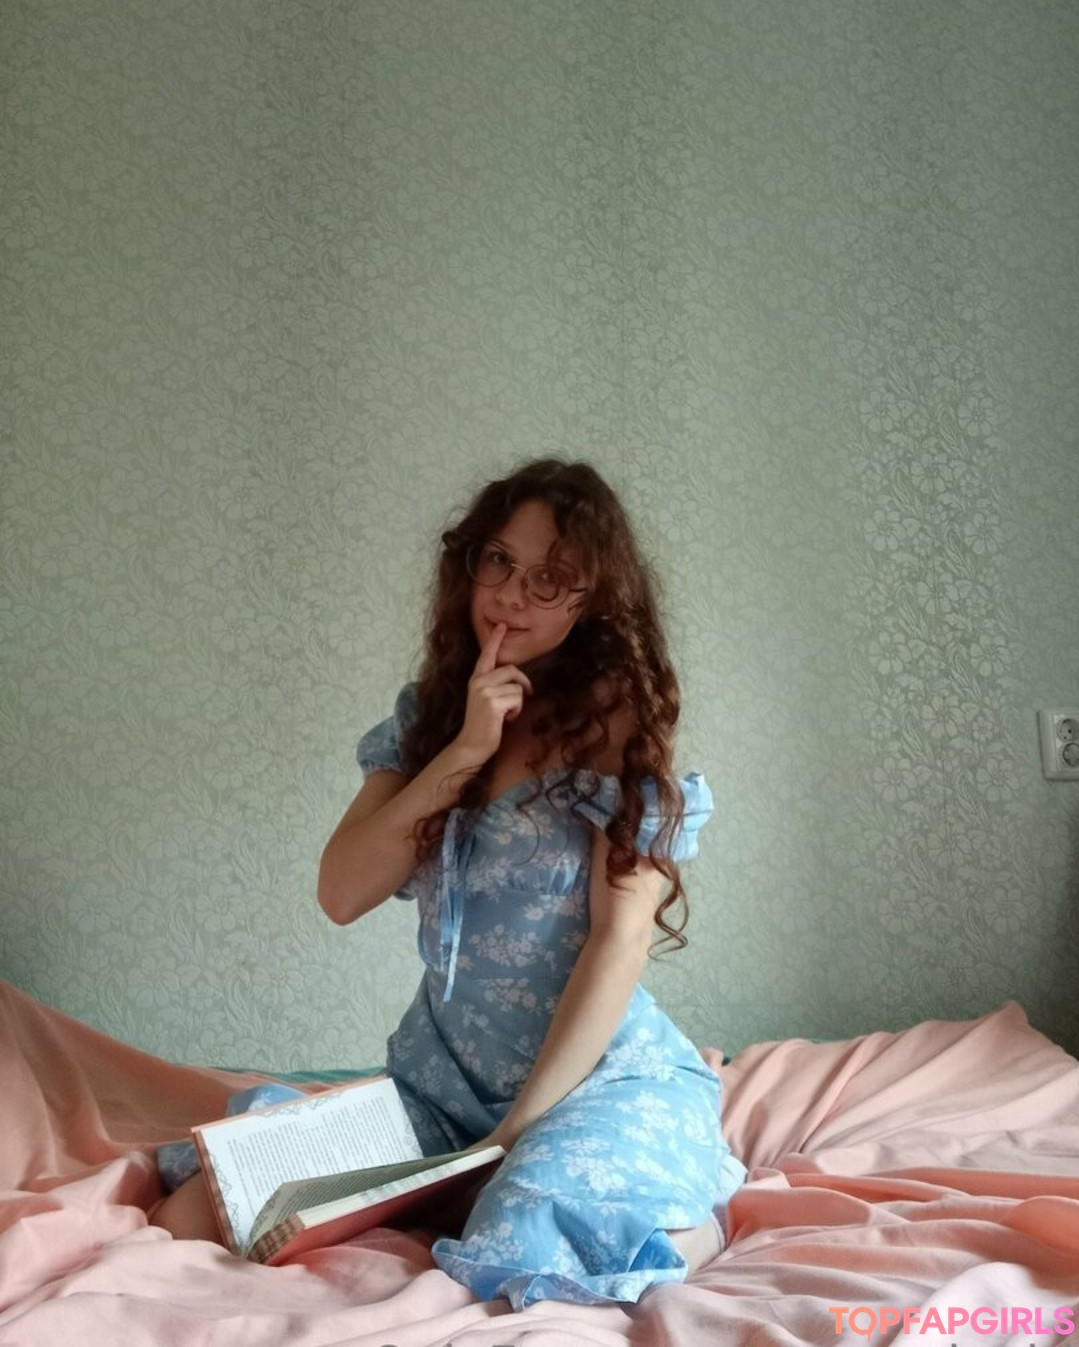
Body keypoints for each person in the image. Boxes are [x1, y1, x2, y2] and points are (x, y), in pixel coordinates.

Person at [153, 457, 745, 1308]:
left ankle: (696, 1224)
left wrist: (519, 1129)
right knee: (202, 1210)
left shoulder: (612, 723)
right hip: (436, 1089)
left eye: (550, 577)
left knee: (518, 1242)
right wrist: (464, 751)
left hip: (589, 1082)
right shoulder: (430, 716)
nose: (511, 594)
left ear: (592, 600)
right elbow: (341, 891)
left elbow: (620, 942)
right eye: (498, 560)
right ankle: (471, 1180)